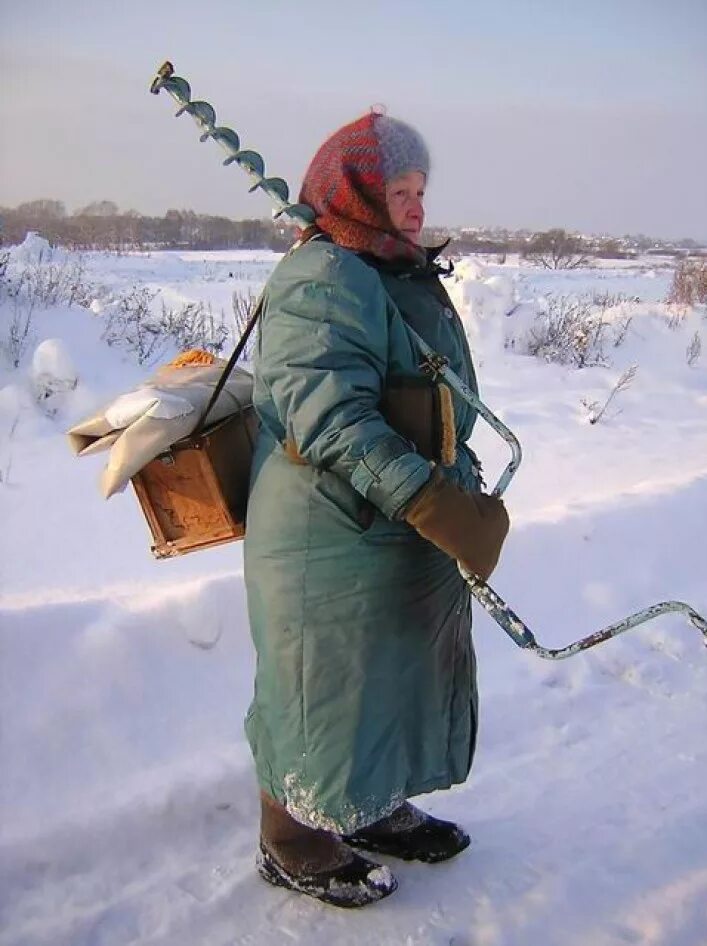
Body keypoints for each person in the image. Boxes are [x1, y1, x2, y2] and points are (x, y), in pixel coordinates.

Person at [243, 111, 509, 908]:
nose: (417, 205)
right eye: (400, 190)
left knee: (388, 678)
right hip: (327, 529)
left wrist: (452, 485)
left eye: (421, 189)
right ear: (357, 191)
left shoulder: (389, 270)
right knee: (323, 687)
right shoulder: (323, 276)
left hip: (392, 524)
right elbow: (329, 417)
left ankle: (370, 806)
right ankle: (290, 837)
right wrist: (434, 500)